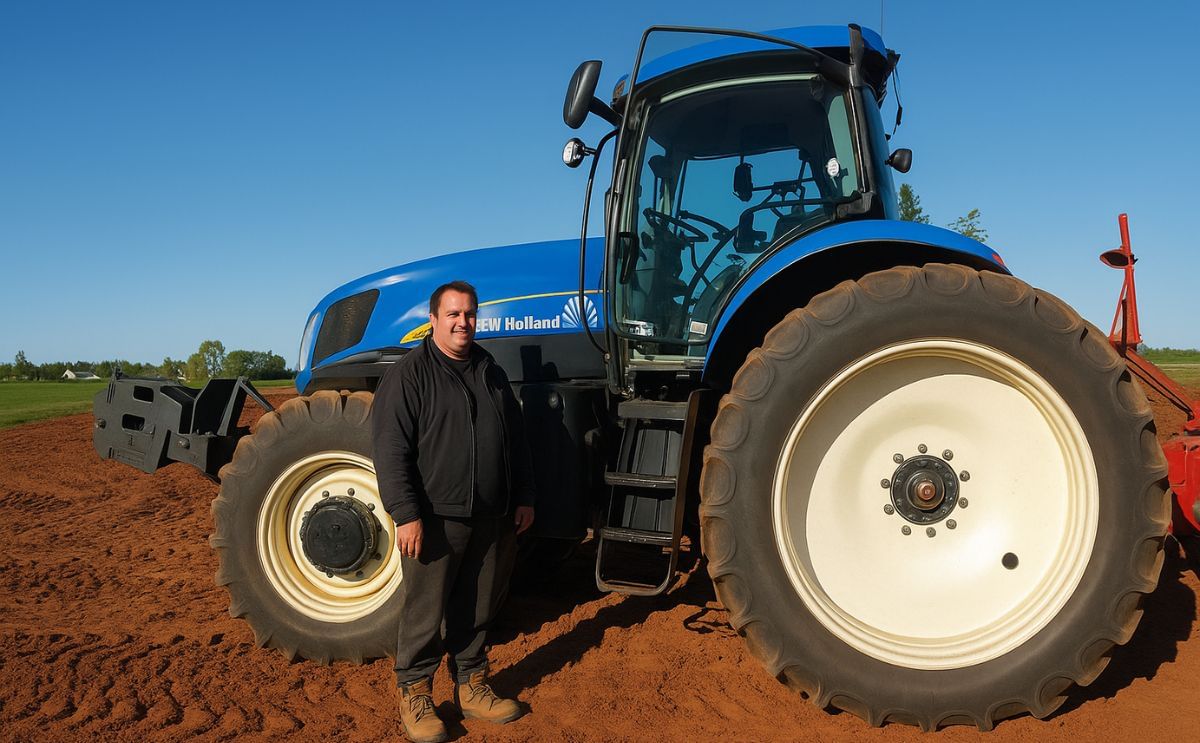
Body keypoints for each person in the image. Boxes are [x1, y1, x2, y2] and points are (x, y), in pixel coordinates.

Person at [372, 280, 536, 743]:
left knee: (479, 606)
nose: (463, 322)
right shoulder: (410, 374)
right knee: (425, 611)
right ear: (434, 320)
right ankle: (415, 693)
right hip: (435, 518)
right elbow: (390, 449)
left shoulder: (489, 370)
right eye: (453, 315)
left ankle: (472, 685)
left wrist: (524, 495)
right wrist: (406, 513)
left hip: (492, 514)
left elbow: (515, 439)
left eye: (469, 314)